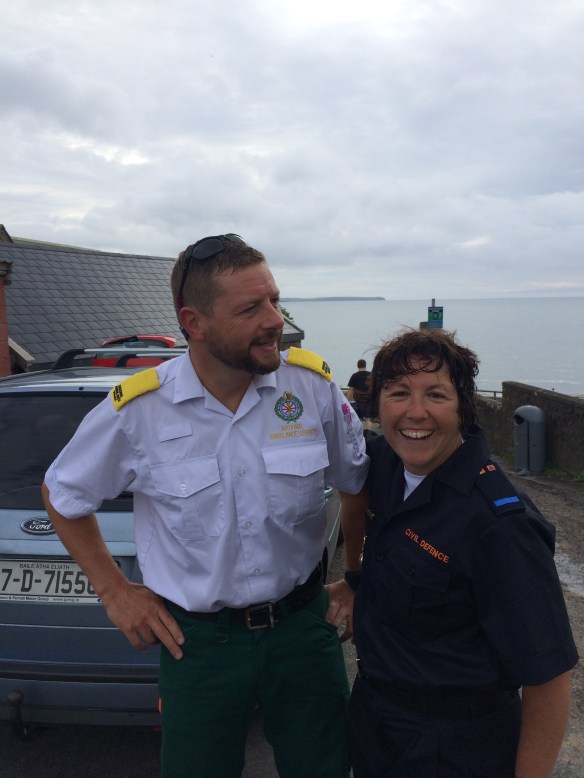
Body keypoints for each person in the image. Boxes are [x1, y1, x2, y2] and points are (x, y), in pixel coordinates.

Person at [42, 233, 368, 778]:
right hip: (197, 645)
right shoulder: (141, 409)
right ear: (194, 322)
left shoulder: (309, 387)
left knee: (325, 768)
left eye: (274, 300)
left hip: (302, 631)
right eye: (250, 308)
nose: (275, 320)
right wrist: (114, 590)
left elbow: (356, 482)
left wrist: (357, 577)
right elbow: (62, 494)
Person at [326, 328, 579, 778]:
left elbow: (548, 676)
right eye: (399, 392)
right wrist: (355, 579)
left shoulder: (500, 524)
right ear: (377, 404)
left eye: (436, 395)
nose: (415, 412)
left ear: (463, 407)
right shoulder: (388, 465)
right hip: (376, 723)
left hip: (457, 747)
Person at [346, 359, 372, 427]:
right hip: (369, 402)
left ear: (358, 366)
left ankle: (360, 433)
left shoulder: (354, 376)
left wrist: (346, 401)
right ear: (365, 365)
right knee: (368, 419)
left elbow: (350, 390)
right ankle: (368, 433)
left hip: (358, 401)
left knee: (358, 420)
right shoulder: (371, 375)